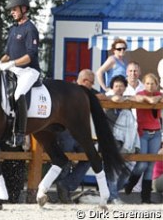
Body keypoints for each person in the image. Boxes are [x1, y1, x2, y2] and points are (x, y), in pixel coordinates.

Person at [0, 0, 40, 147]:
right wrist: (0, 63)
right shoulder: (13, 29)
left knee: (19, 93)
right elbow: (7, 53)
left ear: (23, 9)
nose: (12, 12)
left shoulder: (30, 29)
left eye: (14, 9)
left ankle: (20, 133)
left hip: (29, 71)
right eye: (11, 9)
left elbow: (30, 57)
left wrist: (11, 63)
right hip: (14, 69)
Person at [56, 69, 103, 203]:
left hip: (80, 133)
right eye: (91, 82)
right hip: (65, 130)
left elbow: (103, 97)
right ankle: (61, 193)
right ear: (84, 81)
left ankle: (65, 186)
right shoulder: (69, 90)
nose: (93, 85)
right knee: (65, 158)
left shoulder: (88, 91)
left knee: (89, 157)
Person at [124, 73, 163, 203]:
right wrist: (153, 99)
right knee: (142, 164)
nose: (150, 86)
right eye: (147, 83)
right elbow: (144, 100)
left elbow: (157, 99)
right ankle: (130, 183)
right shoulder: (140, 93)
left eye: (153, 83)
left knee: (151, 166)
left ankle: (146, 198)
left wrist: (156, 98)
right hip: (143, 133)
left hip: (156, 132)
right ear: (144, 84)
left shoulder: (159, 95)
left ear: (157, 85)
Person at [104, 75, 140, 204]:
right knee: (112, 169)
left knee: (128, 168)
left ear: (125, 87)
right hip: (110, 139)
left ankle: (112, 193)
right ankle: (113, 196)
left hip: (127, 140)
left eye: (121, 86)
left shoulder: (128, 101)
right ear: (112, 88)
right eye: (116, 86)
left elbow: (139, 98)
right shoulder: (107, 100)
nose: (119, 88)